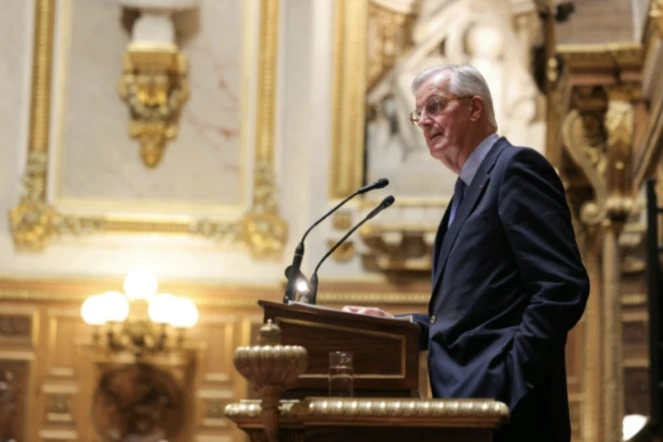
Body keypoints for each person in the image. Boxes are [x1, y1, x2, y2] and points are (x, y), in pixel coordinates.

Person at [343, 64, 589, 442]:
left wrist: (511, 379)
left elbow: (561, 287)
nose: (424, 121)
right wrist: (398, 327)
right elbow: (467, 318)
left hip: (507, 414)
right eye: (419, 113)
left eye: (435, 106)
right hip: (463, 410)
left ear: (475, 109)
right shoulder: (464, 193)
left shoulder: (516, 169)